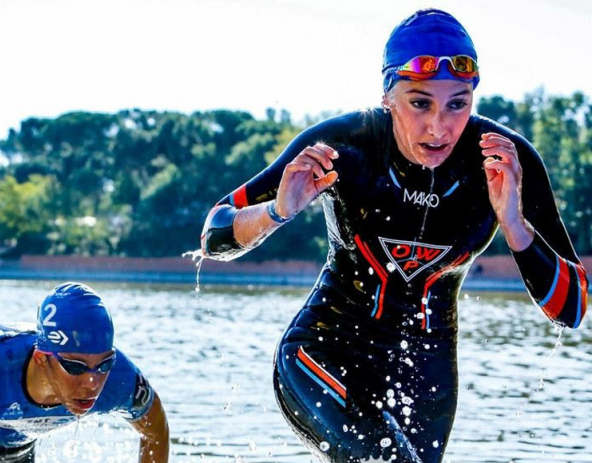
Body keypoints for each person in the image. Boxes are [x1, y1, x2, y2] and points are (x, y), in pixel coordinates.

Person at [200, 8, 587, 463]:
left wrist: (515, 226)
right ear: (387, 96)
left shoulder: (505, 159)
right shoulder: (345, 144)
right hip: (325, 348)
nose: (438, 127)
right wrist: (278, 211)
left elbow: (573, 309)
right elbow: (214, 235)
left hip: (426, 368)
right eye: (420, 103)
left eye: (457, 104)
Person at [0, 282, 169, 463]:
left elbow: (156, 433)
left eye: (104, 364)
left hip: (18, 452)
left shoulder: (120, 379)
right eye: (74, 367)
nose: (92, 382)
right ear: (41, 359)